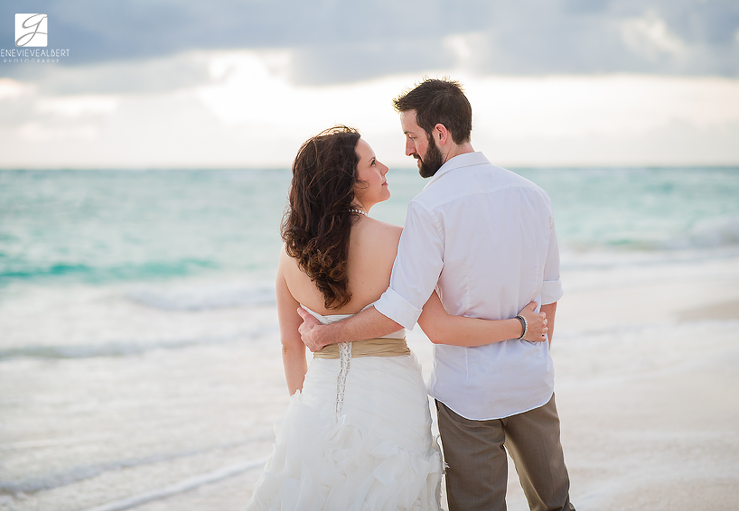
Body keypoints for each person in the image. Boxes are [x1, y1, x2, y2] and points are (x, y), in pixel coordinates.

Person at [298, 80, 575, 511]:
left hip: (467, 396)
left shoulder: (429, 208)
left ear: (440, 134)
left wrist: (326, 337)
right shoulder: (534, 196)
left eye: (412, 136)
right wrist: (531, 353)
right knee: (555, 505)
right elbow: (550, 296)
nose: (408, 150)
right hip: (532, 385)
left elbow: (401, 310)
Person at [245, 126, 548, 510]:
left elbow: (291, 346)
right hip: (389, 398)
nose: (386, 166)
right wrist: (519, 327)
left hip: (317, 400)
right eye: (372, 163)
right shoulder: (396, 241)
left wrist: (303, 416)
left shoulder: (290, 255)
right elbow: (439, 328)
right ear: (347, 181)